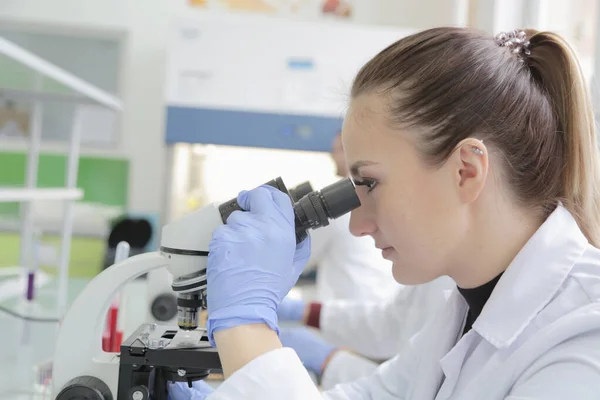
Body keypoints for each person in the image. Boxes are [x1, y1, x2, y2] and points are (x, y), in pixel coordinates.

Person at [170, 27, 600, 399]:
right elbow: (372, 396)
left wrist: (246, 330)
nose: (357, 225)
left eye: (370, 184)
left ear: (466, 171)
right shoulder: (461, 314)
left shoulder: (585, 333)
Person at [277, 275, 453, 389]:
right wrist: (307, 312)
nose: (356, 228)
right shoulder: (444, 280)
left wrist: (329, 362)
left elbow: (403, 391)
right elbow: (392, 324)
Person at [304, 132, 398, 302]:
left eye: (339, 149)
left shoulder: (335, 205)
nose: (333, 156)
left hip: (349, 314)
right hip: (375, 309)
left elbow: (301, 257)